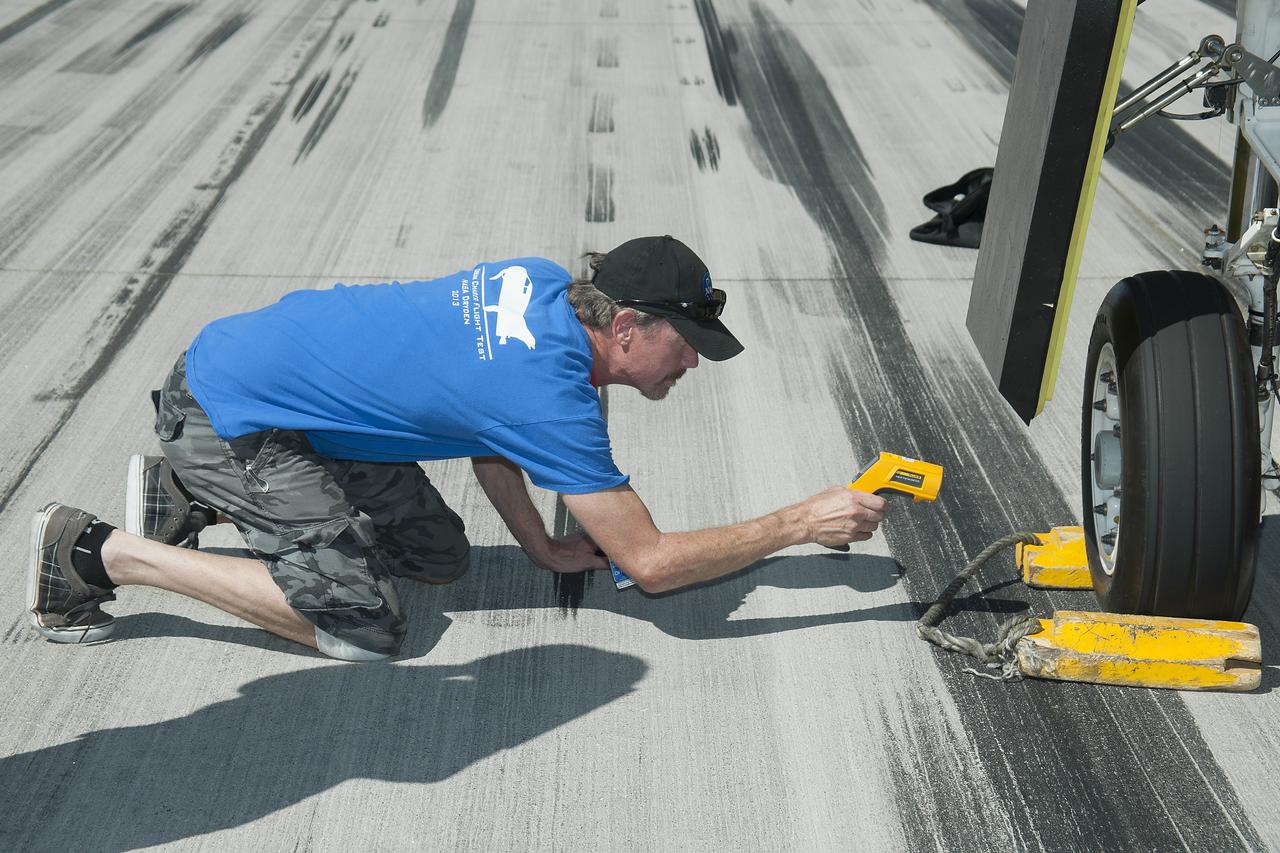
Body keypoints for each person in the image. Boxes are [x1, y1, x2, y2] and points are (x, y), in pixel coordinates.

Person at [27, 236, 886, 660]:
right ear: (624, 328)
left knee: (436, 558)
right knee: (364, 626)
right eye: (686, 341)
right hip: (226, 409)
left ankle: (192, 497)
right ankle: (94, 552)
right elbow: (652, 562)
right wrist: (801, 521)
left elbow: (488, 437)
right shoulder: (548, 396)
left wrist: (542, 545)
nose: (693, 361)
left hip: (269, 384)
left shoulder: (543, 284)